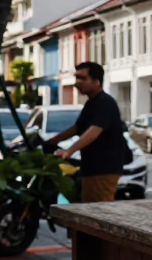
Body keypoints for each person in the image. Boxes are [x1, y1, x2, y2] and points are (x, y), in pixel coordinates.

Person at [44, 62, 126, 203]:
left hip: (103, 167)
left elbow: (94, 131)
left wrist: (68, 151)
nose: (77, 83)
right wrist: (52, 141)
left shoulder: (105, 102)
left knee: (99, 212)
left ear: (96, 81)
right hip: (91, 166)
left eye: (82, 78)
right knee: (88, 208)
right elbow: (77, 128)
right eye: (76, 78)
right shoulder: (91, 103)